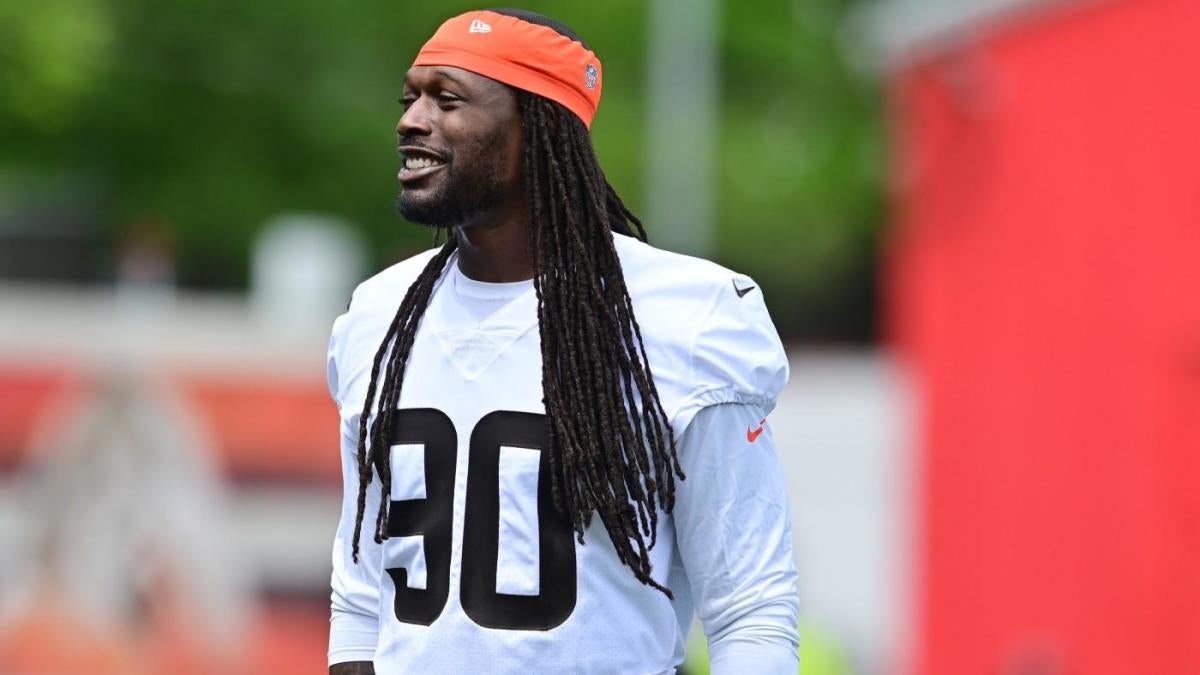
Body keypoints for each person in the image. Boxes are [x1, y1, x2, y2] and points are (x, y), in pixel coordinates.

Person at [326, 9, 799, 675]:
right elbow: (359, 596)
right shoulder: (378, 315)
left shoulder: (686, 317)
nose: (411, 120)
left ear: (537, 127)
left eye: (448, 98)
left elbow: (750, 605)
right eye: (411, 97)